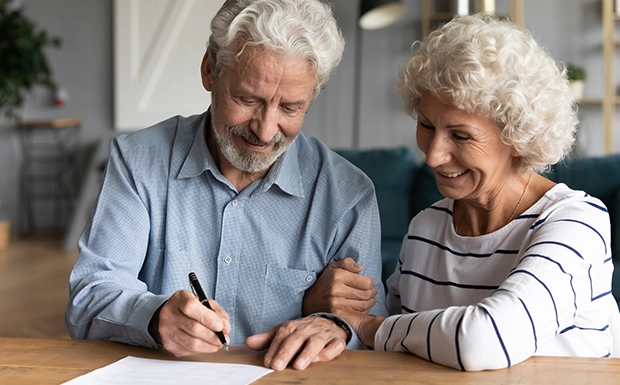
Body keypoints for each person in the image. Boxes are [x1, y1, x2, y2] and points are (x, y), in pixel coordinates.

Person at [64, 0, 387, 371]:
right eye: (247, 99)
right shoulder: (138, 161)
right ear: (209, 72)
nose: (265, 130)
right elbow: (88, 298)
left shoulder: (348, 194)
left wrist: (331, 322)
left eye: (290, 108)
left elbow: (372, 330)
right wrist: (154, 317)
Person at [332, 13, 616, 371]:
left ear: (517, 136)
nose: (433, 155)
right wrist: (340, 308)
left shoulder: (576, 223)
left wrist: (371, 327)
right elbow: (397, 346)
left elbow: (487, 339)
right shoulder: (426, 228)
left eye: (461, 136)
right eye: (426, 125)